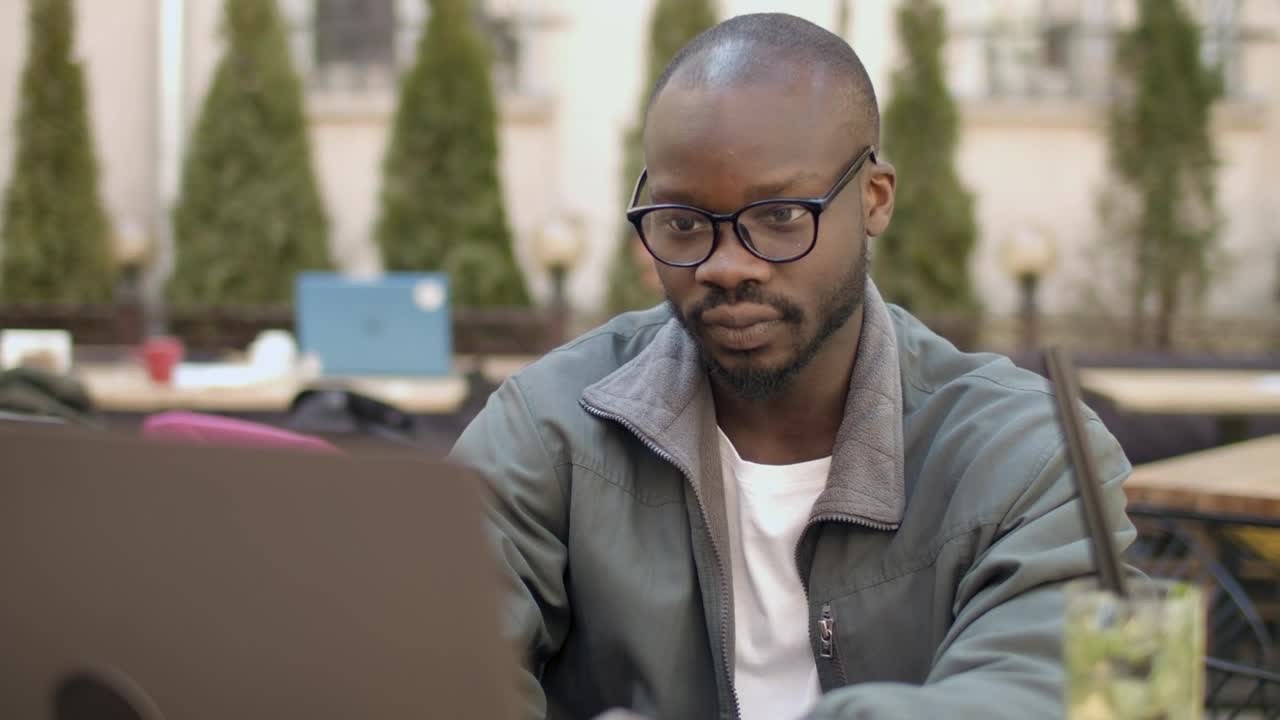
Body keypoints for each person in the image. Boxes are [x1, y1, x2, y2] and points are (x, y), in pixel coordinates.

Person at [451, 13, 1132, 720]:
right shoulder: (552, 428)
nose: (726, 267)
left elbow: (1039, 692)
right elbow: (431, 671)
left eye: (779, 216)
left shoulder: (1026, 456)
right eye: (682, 224)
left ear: (874, 199)